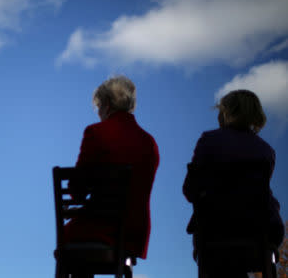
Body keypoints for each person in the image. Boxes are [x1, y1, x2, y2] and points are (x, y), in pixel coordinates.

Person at [183, 89, 284, 277]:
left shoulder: (208, 141)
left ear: (226, 113)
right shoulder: (266, 151)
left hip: (213, 236)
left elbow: (190, 191)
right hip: (256, 236)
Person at [64, 75, 160, 260]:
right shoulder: (150, 143)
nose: (98, 113)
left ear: (107, 104)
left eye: (98, 107)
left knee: (69, 240)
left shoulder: (96, 133)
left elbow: (77, 191)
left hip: (102, 229)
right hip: (134, 235)